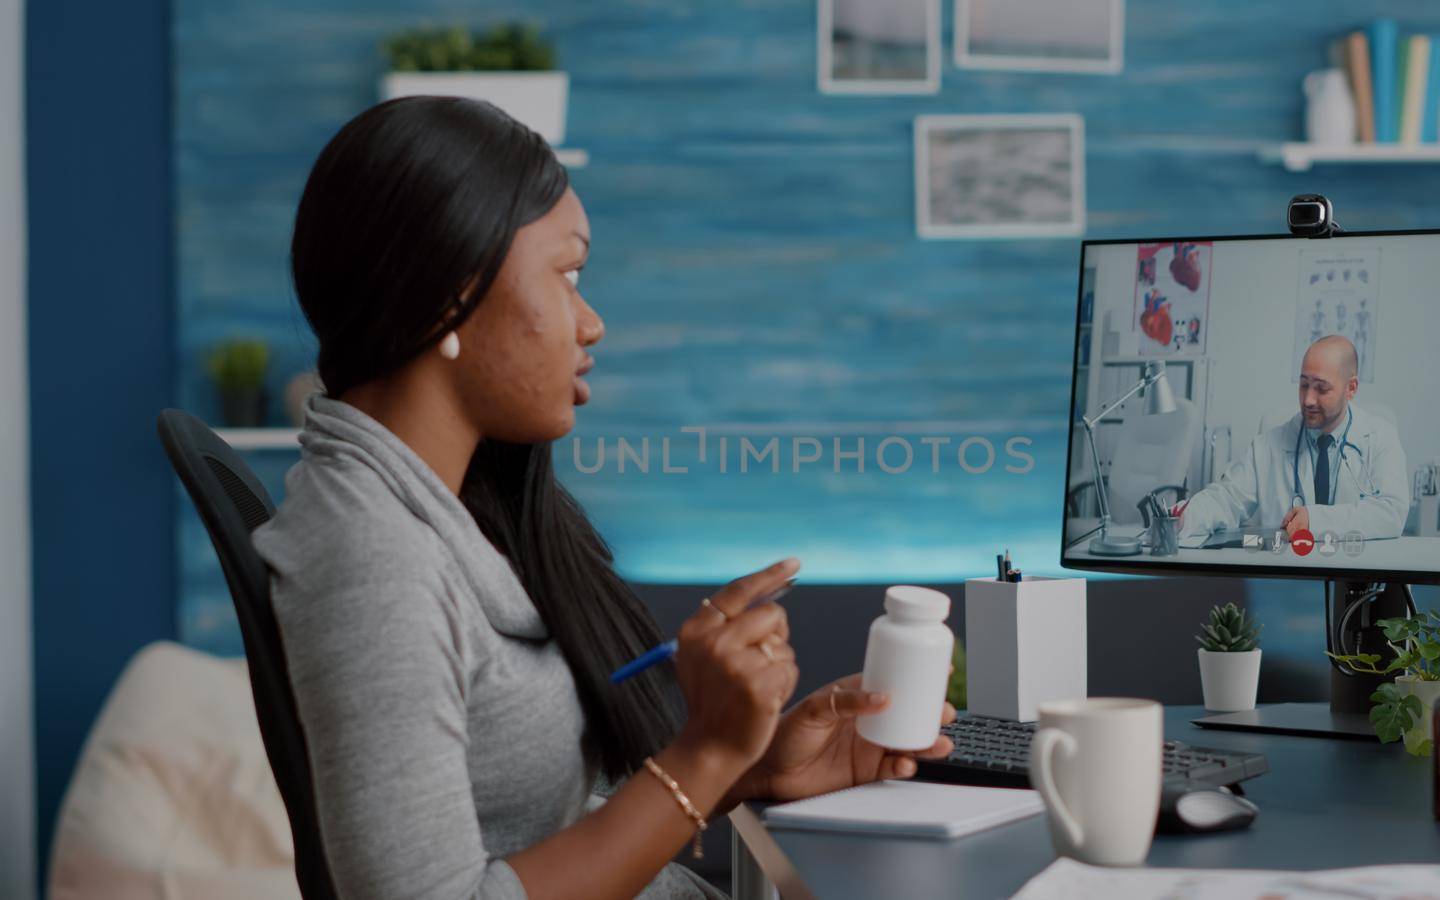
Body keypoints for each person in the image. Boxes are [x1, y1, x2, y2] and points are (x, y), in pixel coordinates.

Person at [251, 97, 955, 900]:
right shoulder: (371, 559)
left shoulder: (446, 514)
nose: (591, 323)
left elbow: (534, 836)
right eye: (569, 275)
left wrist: (749, 769)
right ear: (451, 294)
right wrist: (704, 755)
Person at [1178, 335, 1408, 544]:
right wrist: (1185, 516)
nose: (1308, 399)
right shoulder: (1267, 446)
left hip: (1354, 575)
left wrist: (1315, 521)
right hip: (1290, 577)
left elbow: (1391, 513)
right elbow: (1226, 498)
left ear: (1351, 388)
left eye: (1321, 388)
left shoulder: (1380, 438)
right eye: (1304, 384)